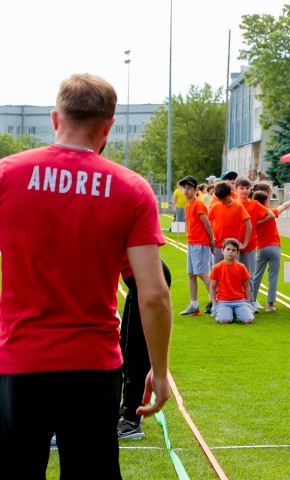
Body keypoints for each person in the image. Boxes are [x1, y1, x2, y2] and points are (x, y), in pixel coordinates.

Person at [0, 73, 172, 478]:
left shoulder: (7, 175)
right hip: (92, 367)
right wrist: (159, 371)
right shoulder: (131, 188)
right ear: (108, 126)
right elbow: (153, 295)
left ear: (55, 119)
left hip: (22, 361)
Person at [117, 258, 172, 440]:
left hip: (147, 284)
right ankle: (128, 410)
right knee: (125, 351)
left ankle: (131, 421)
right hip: (139, 283)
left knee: (135, 354)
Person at [251, 191, 290, 313]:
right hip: (274, 247)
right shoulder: (270, 213)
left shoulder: (254, 218)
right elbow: (283, 206)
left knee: (256, 276)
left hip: (261, 248)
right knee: (273, 276)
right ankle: (270, 305)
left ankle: (251, 300)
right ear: (266, 202)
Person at [236, 176, 273, 312]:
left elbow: (270, 215)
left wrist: (256, 223)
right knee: (236, 273)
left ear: (250, 190)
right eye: (242, 188)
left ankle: (250, 300)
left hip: (250, 244)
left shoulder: (254, 204)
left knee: (249, 274)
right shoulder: (234, 204)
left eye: (247, 188)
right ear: (236, 189)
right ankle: (237, 300)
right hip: (236, 245)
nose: (245, 191)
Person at [178, 175, 215, 316]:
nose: (185, 190)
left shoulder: (198, 204)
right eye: (184, 188)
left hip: (200, 243)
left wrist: (211, 241)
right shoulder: (189, 205)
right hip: (192, 242)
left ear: (195, 190)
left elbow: (207, 224)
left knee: (202, 273)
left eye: (188, 188)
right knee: (192, 274)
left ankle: (216, 301)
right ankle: (194, 304)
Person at [209, 239, 254, 324]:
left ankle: (239, 311)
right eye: (228, 249)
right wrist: (214, 303)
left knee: (248, 321)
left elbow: (246, 285)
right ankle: (226, 312)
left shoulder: (241, 267)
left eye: (233, 250)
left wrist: (248, 301)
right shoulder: (217, 267)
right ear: (222, 251)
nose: (230, 252)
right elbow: (212, 287)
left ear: (237, 253)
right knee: (224, 321)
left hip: (240, 301)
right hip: (223, 301)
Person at [208, 181, 252, 264]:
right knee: (217, 273)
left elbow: (249, 225)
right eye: (219, 199)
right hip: (218, 246)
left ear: (230, 194)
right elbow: (208, 223)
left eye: (224, 199)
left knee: (233, 273)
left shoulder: (238, 206)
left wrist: (245, 243)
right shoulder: (215, 206)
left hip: (233, 246)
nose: (221, 202)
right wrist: (211, 239)